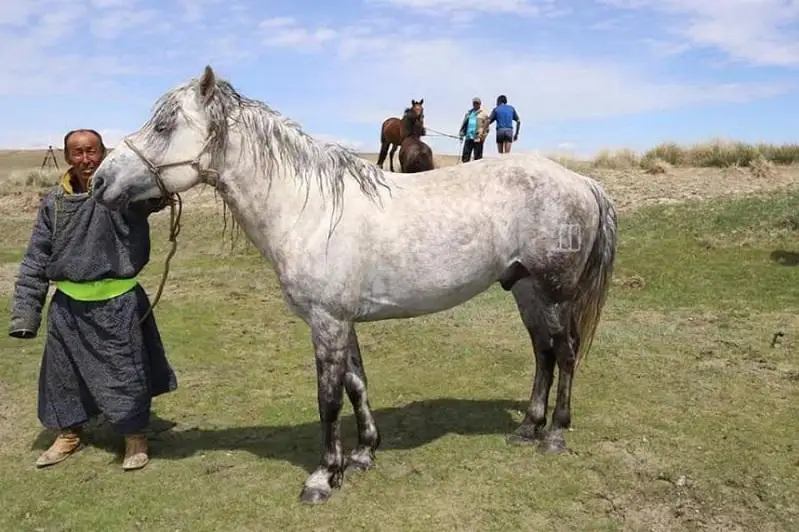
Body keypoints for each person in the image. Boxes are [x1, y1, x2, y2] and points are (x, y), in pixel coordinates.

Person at [8, 128, 177, 471]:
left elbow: (155, 193)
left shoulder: (122, 194)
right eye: (77, 153)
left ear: (103, 153)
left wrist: (162, 183)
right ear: (68, 157)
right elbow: (37, 257)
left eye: (92, 152)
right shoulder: (54, 204)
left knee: (125, 374)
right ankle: (68, 434)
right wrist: (25, 315)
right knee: (63, 377)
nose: (85, 160)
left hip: (117, 305)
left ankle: (134, 438)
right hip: (67, 307)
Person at [458, 97, 490, 162]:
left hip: (478, 138)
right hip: (468, 137)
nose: (475, 104)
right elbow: (464, 124)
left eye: (477, 103)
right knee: (465, 155)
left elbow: (487, 127)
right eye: (474, 103)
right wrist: (461, 133)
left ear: (480, 104)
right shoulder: (469, 113)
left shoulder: (484, 114)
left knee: (478, 157)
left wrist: (483, 136)